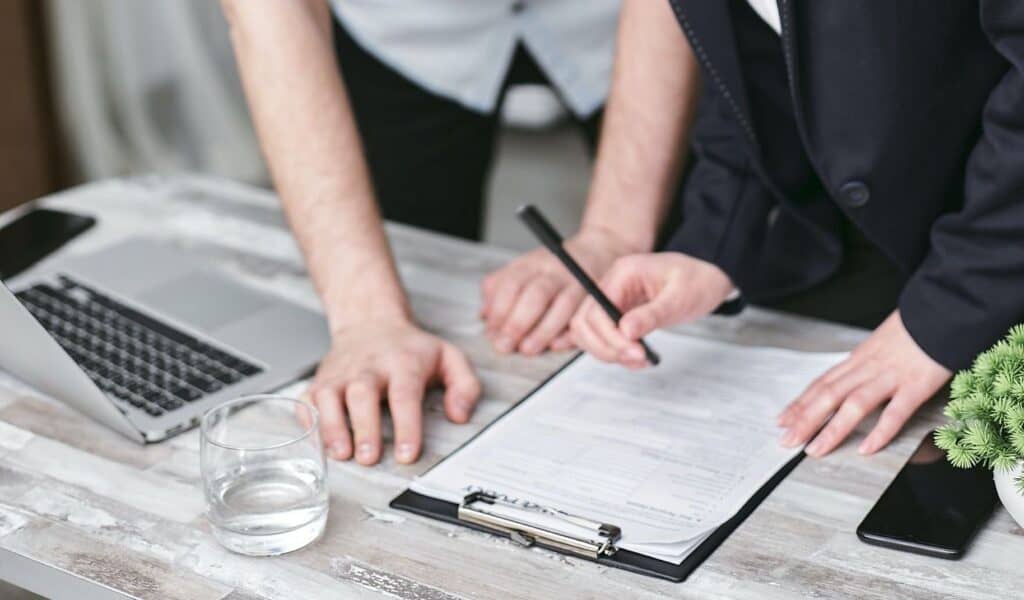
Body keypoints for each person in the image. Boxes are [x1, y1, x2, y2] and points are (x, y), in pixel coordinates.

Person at [220, 0, 677, 466]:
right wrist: (367, 317)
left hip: (629, 20)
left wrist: (613, 235)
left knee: (675, 295)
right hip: (406, 33)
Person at [566, 0, 1024, 458]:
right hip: (858, 229)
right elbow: (756, 46)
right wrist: (715, 239)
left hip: (992, 238)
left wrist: (952, 303)